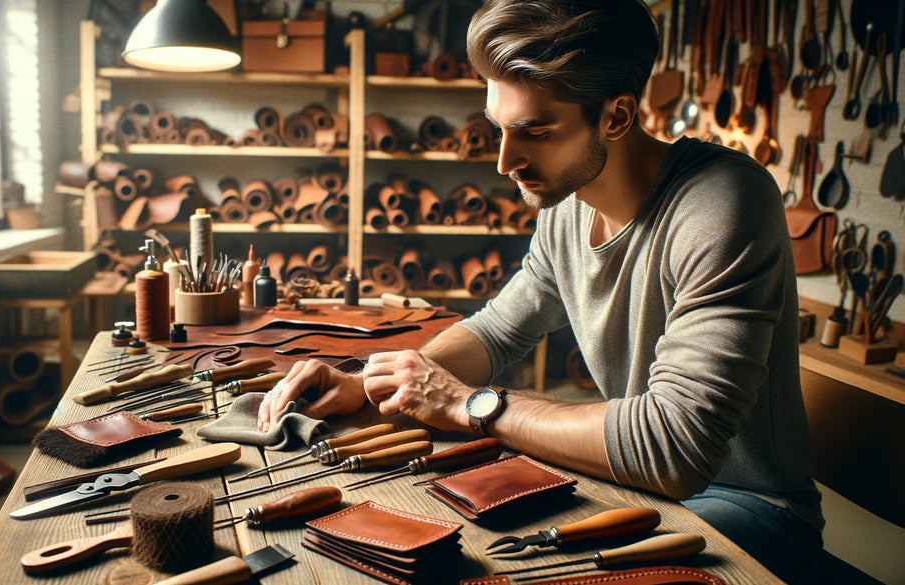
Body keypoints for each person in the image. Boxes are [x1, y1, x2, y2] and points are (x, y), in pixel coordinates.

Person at [257, 0, 824, 581]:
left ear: (617, 116)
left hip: (750, 506)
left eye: (534, 131)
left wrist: (467, 403)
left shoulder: (722, 203)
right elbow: (500, 330)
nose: (505, 161)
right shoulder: (566, 206)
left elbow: (674, 449)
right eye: (498, 127)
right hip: (642, 488)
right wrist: (367, 382)